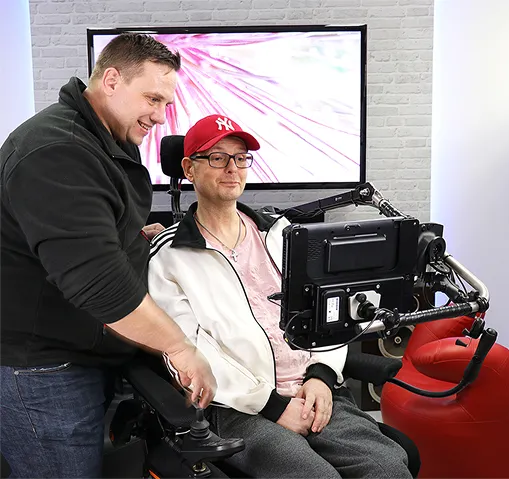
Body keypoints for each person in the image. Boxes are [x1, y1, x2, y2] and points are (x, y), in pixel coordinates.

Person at [147, 114, 413, 478]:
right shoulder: (170, 255)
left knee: (388, 467)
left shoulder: (284, 234)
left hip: (313, 390)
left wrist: (321, 374)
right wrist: (271, 405)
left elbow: (328, 311)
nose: (232, 168)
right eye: (218, 157)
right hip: (238, 407)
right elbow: (189, 349)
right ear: (189, 169)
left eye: (240, 157)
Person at [0, 34, 216, 478]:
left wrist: (132, 237)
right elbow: (99, 283)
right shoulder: (57, 151)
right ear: (112, 80)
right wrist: (179, 347)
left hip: (86, 351)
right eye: (152, 99)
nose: (160, 115)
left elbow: (86, 223)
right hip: (44, 368)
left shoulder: (107, 137)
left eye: (165, 103)